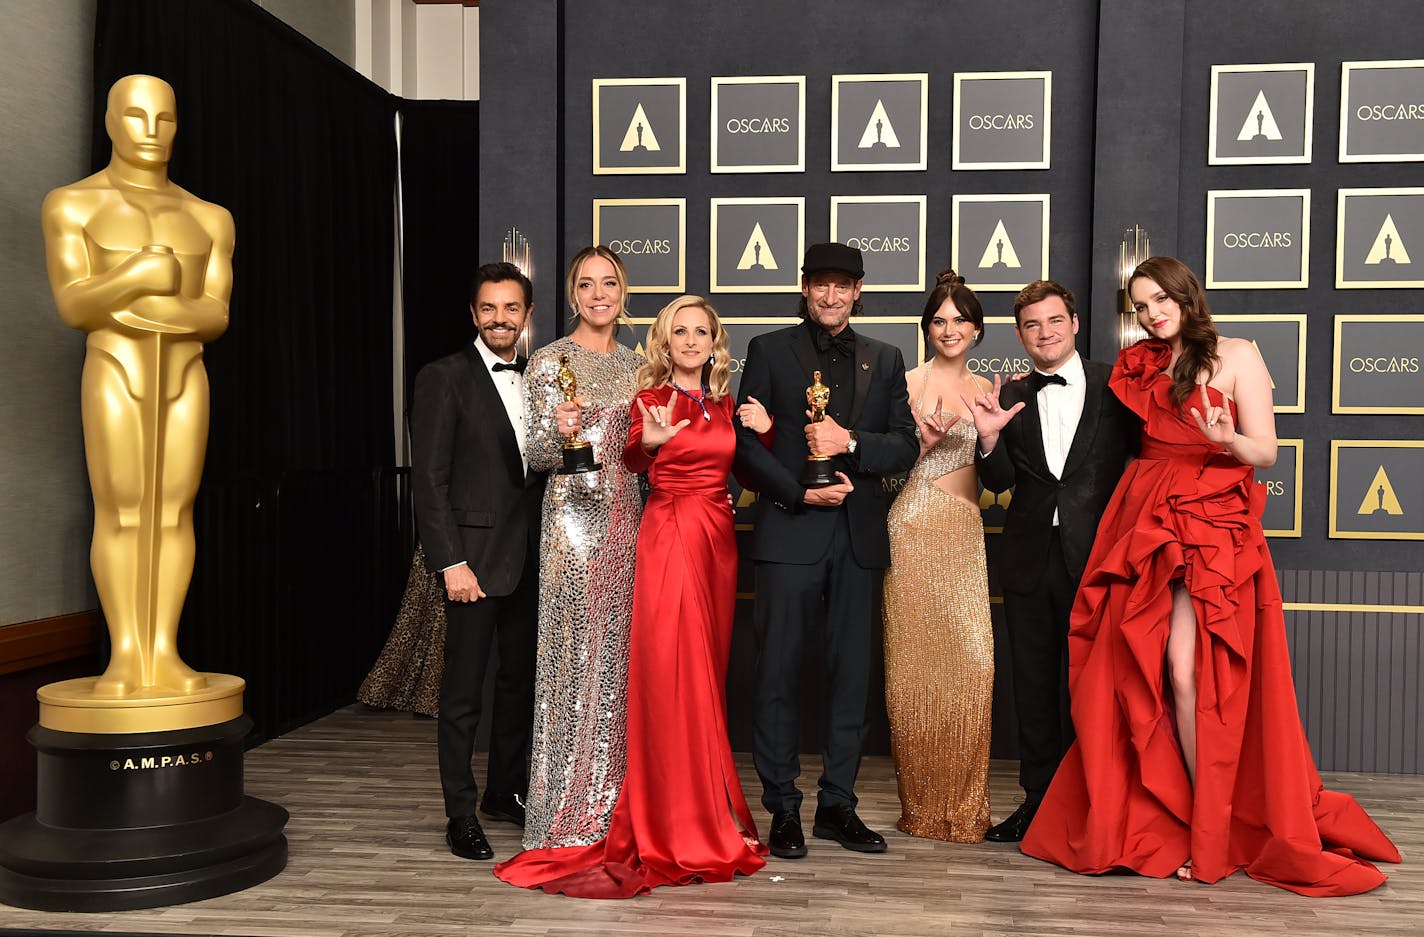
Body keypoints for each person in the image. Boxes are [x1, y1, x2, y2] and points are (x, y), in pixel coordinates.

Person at [1020, 257, 1401, 895]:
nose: (1152, 313)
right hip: (1145, 516)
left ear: (1185, 295)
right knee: (1137, 669)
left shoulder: (1238, 354)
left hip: (1211, 518)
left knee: (1190, 673)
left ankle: (1212, 827)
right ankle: (1180, 814)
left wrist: (1226, 438)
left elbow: (1267, 451)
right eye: (1141, 306)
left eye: (1160, 299)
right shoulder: (1140, 363)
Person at [496, 296, 767, 896]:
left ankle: (707, 808)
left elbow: (744, 473)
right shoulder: (650, 399)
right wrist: (650, 441)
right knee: (677, 674)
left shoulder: (723, 403)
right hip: (669, 534)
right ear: (664, 342)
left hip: (718, 543)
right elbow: (633, 459)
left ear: (715, 340)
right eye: (680, 332)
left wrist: (765, 436)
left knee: (707, 676)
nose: (691, 341)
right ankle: (677, 821)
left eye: (701, 331)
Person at [42, 74, 234, 697]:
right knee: (123, 509)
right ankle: (127, 653)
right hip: (115, 368)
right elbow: (74, 305)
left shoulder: (208, 216)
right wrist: (138, 275)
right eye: (136, 116)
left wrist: (142, 309)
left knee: (174, 509)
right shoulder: (73, 204)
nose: (152, 132)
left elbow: (215, 315)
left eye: (165, 119)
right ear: (109, 120)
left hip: (184, 372)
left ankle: (163, 650)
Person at [733, 242, 919, 859]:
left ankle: (838, 804)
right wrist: (795, 494)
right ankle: (783, 808)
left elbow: (902, 447)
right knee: (778, 674)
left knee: (851, 679)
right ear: (805, 287)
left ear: (859, 291)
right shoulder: (768, 350)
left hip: (859, 541)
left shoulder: (885, 358)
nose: (831, 296)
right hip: (789, 531)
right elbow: (745, 445)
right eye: (821, 284)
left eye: (843, 286)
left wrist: (850, 441)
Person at [964, 280, 1137, 842]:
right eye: (1033, 325)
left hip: (1100, 560)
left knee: (1095, 690)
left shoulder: (1119, 384)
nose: (1045, 333)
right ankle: (1038, 803)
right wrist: (988, 441)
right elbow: (1000, 482)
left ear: (1076, 323)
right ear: (1019, 335)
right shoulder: (1009, 392)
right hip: (1029, 561)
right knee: (1035, 688)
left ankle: (1096, 803)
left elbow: (1147, 461)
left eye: (1054, 321)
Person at [410, 262, 544, 861]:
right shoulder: (443, 377)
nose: (500, 319)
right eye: (488, 308)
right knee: (464, 694)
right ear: (473, 314)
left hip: (533, 563)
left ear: (526, 315)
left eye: (510, 308)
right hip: (472, 566)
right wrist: (450, 564)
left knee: (517, 688)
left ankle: (503, 792)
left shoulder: (542, 376)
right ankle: (459, 812)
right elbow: (429, 483)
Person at [516, 246, 643, 850]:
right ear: (572, 295)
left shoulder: (641, 367)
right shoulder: (547, 361)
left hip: (628, 522)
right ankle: (562, 812)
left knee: (618, 664)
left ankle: (614, 806)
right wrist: (555, 431)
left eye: (609, 283)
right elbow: (534, 456)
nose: (599, 294)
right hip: (570, 524)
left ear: (623, 291)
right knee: (569, 660)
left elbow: (650, 453)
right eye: (587, 284)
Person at [882, 271, 994, 843]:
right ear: (927, 329)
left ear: (976, 329)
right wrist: (916, 446)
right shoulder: (903, 384)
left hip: (964, 531)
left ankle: (966, 805)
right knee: (913, 672)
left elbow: (1001, 474)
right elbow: (877, 464)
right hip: (912, 525)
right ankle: (921, 806)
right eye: (939, 320)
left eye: (959, 320)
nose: (949, 329)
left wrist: (993, 438)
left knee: (975, 667)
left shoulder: (989, 389)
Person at [357, 542, 446, 718]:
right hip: (442, 548)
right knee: (425, 617)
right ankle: (426, 696)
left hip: (448, 548)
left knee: (435, 619)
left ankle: (428, 695)